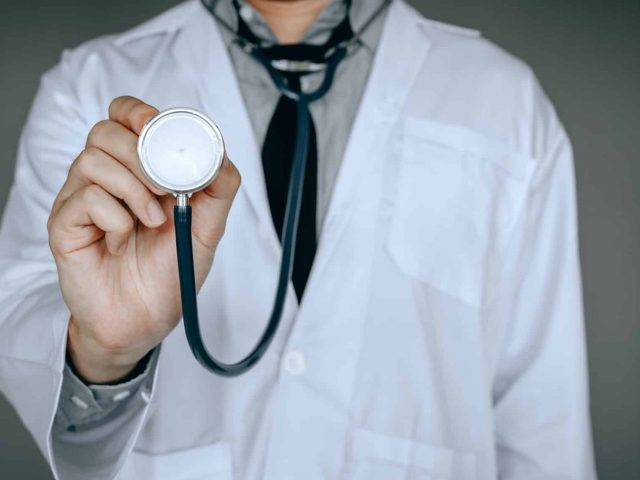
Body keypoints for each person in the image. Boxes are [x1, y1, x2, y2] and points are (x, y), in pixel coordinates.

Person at [0, 0, 597, 479]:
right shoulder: (89, 87)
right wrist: (104, 353)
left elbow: (546, 413)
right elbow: (23, 337)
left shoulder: (506, 101)